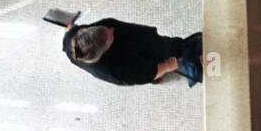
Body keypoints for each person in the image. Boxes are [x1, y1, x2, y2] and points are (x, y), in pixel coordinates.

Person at [62, 19, 203, 87]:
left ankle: (157, 77)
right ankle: (179, 52)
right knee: (164, 55)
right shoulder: (118, 68)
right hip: (147, 54)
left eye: (104, 28)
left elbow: (69, 30)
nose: (111, 30)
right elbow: (148, 72)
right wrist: (166, 66)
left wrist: (71, 28)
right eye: (110, 36)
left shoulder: (72, 41)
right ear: (104, 51)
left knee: (149, 70)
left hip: (136, 45)